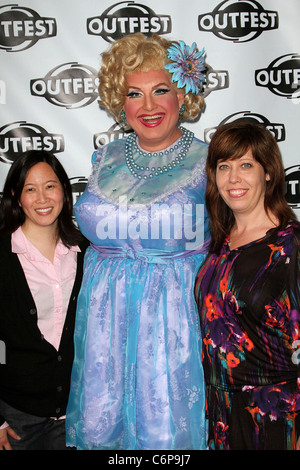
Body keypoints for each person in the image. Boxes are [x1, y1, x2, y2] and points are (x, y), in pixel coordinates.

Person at [66, 33, 209, 450]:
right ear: (120, 101)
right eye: (134, 93)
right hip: (102, 324)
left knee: (165, 439)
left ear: (182, 96)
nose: (148, 107)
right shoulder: (104, 157)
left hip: (173, 325)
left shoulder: (210, 161)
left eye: (160, 90)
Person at [194, 119, 300, 450]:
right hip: (222, 416)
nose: (233, 178)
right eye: (224, 166)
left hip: (275, 418)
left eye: (246, 165)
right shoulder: (219, 244)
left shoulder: (291, 247)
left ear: (268, 171)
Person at [0, 150, 86, 450]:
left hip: (76, 414)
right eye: (30, 189)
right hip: (16, 418)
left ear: (64, 188)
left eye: (50, 186)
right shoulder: (2, 256)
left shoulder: (87, 251)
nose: (42, 198)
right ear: (16, 195)